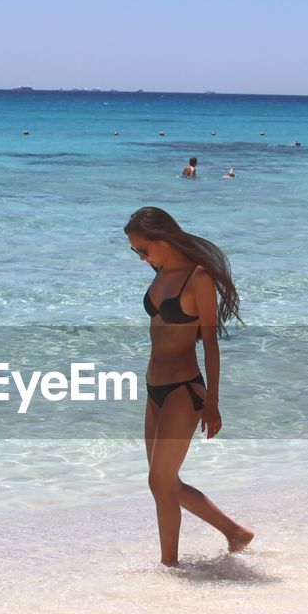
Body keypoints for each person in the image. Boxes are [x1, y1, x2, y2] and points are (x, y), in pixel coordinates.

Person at [124, 206, 253, 567]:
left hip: (184, 389)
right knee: (161, 482)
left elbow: (210, 344)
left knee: (160, 480)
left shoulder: (197, 279)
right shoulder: (161, 270)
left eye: (142, 250)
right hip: (154, 389)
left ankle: (169, 566)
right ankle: (235, 533)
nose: (141, 258)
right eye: (136, 252)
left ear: (162, 241)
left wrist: (212, 402)